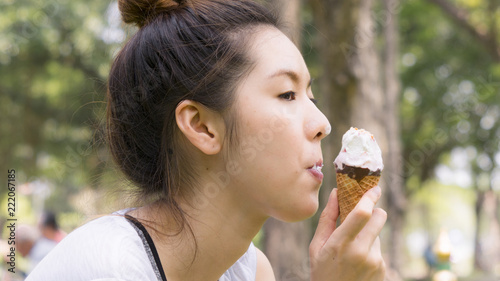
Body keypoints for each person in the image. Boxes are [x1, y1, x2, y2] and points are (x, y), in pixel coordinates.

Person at [27, 0, 387, 280]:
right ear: (202, 126)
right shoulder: (111, 270)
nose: (322, 123)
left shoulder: (248, 271)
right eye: (287, 94)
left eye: (310, 95)